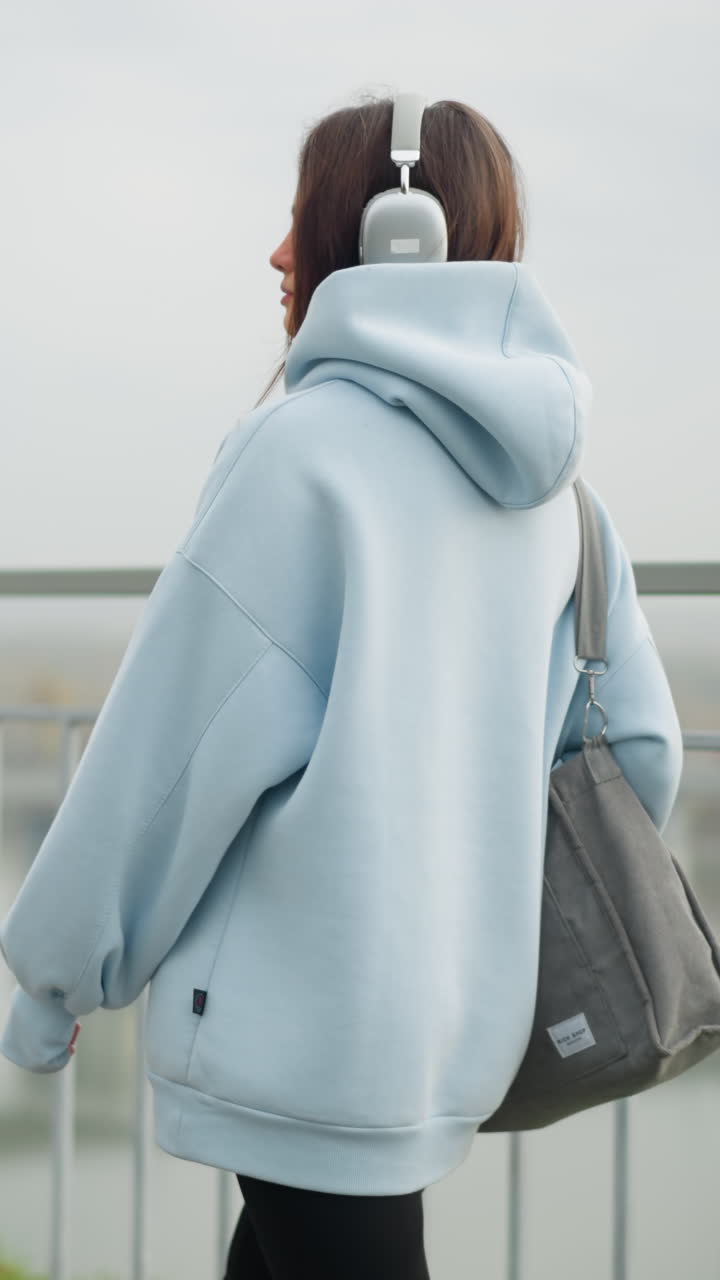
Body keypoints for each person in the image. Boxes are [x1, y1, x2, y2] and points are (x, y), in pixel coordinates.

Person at [0, 96, 683, 1280]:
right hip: (451, 1037)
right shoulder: (568, 498)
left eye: (298, 218)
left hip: (304, 1046)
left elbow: (164, 759)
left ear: (392, 234)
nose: (277, 254)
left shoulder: (297, 454)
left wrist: (58, 974)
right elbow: (643, 753)